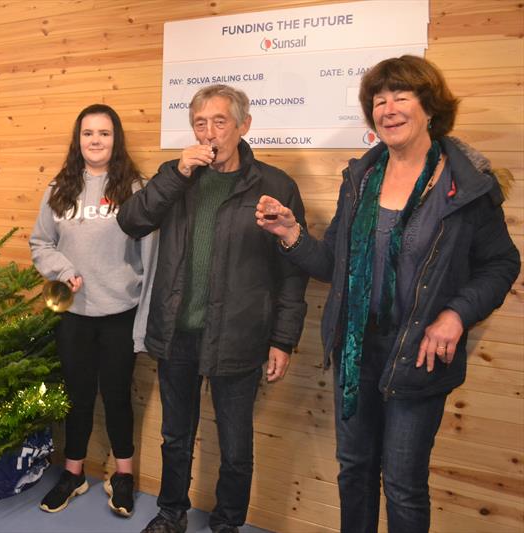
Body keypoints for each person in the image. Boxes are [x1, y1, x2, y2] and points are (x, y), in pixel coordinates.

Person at [256, 55, 520, 533]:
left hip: (419, 356)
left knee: (402, 484)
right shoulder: (360, 179)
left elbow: (502, 263)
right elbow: (333, 265)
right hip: (356, 352)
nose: (388, 108)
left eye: (401, 96)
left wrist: (456, 316)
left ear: (430, 108)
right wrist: (292, 233)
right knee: (353, 470)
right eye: (379, 100)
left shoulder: (464, 186)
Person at [117, 84, 308, 533]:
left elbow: (292, 272)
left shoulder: (275, 185)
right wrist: (176, 173)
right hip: (177, 331)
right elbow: (132, 221)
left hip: (240, 335)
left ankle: (227, 523)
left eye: (219, 122)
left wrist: (283, 339)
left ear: (243, 126)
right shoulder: (175, 175)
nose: (208, 132)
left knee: (236, 445)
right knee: (174, 436)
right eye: (200, 123)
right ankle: (171, 514)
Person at [29, 104, 157, 518]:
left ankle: (123, 476)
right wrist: (63, 269)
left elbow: (152, 253)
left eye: (104, 133)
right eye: (88, 133)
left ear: (115, 139)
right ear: (78, 139)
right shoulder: (60, 187)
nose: (95, 140)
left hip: (121, 311)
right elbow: (40, 243)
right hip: (74, 315)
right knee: (78, 399)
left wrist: (146, 310)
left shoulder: (136, 188)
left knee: (118, 396)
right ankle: (73, 473)